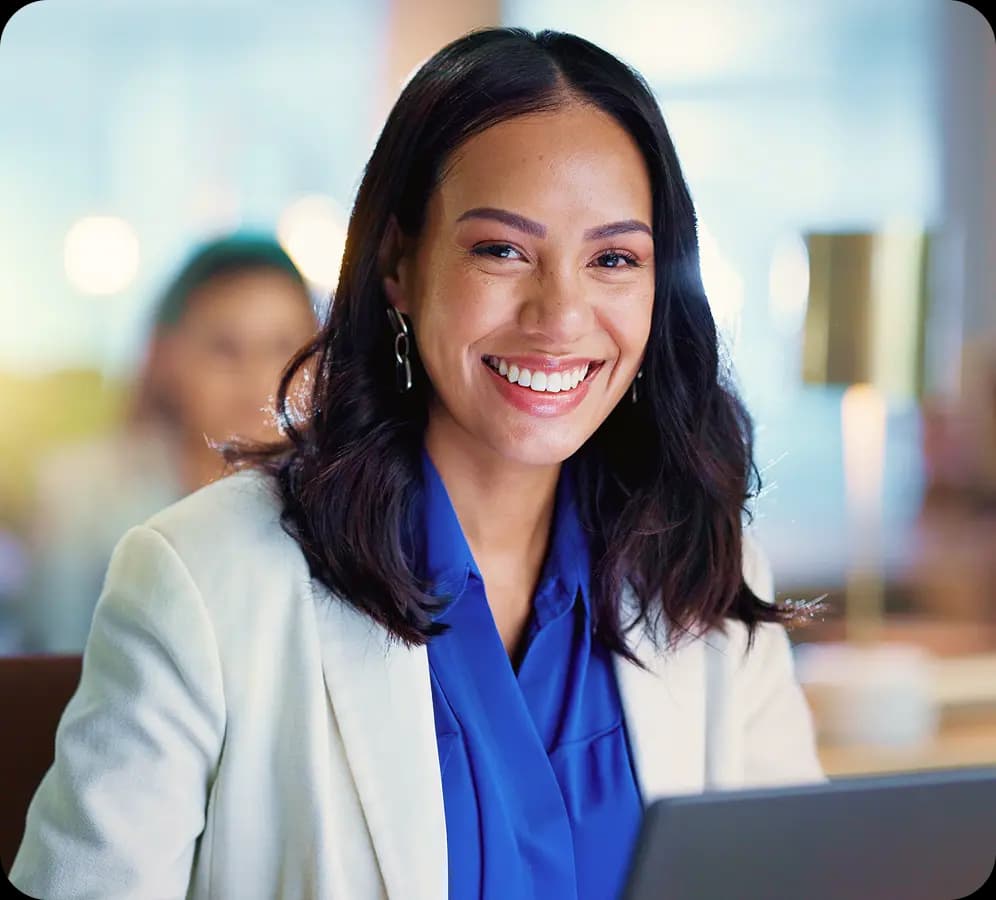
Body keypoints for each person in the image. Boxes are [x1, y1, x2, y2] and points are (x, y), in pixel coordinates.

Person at [11, 28, 823, 900]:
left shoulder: (706, 568)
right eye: (501, 250)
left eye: (614, 258)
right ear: (398, 262)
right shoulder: (205, 579)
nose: (560, 316)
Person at [15, 234, 318, 653]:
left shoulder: (338, 501)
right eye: (225, 348)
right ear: (167, 355)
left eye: (282, 347)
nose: (256, 375)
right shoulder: (78, 492)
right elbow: (53, 663)